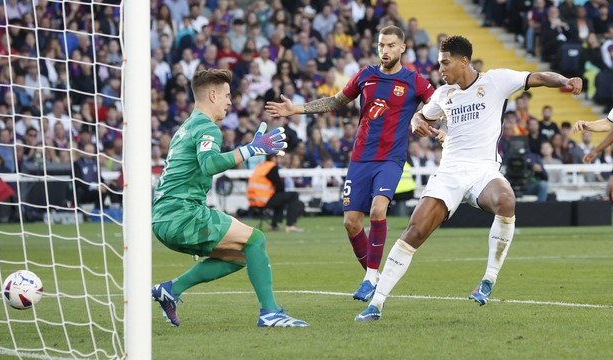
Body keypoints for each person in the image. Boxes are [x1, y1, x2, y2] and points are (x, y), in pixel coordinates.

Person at [355, 35, 583, 321]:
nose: (441, 70)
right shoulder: (442, 94)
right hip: (449, 171)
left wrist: (564, 80)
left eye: (445, 63)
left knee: (506, 200)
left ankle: (488, 279)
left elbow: (538, 77)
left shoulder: (496, 82)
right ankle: (376, 303)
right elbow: (420, 117)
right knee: (415, 232)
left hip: (483, 170)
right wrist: (417, 124)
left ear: (464, 61)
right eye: (440, 64)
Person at [265, 26, 434, 302]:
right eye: (381, 45)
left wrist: (424, 121)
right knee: (351, 223)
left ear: (403, 48)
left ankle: (369, 277)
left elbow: (437, 104)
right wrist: (296, 109)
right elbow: (335, 101)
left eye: (391, 45)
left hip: (391, 158)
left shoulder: (415, 81)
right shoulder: (366, 75)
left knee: (378, 209)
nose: (385, 51)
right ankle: (375, 276)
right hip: (360, 158)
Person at [151, 69, 308, 328]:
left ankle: (171, 290)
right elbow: (209, 164)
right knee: (256, 240)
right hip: (182, 213)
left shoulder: (186, 127)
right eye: (226, 95)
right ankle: (270, 313)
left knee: (240, 255)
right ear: (212, 95)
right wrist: (250, 149)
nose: (230, 101)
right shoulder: (207, 128)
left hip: (164, 217)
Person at [247, 154, 305, 232]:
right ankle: (290, 225)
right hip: (263, 200)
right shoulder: (272, 167)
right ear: (273, 158)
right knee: (294, 195)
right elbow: (279, 186)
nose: (280, 160)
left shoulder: (261, 166)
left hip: (254, 201)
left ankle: (274, 225)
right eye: (278, 158)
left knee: (280, 197)